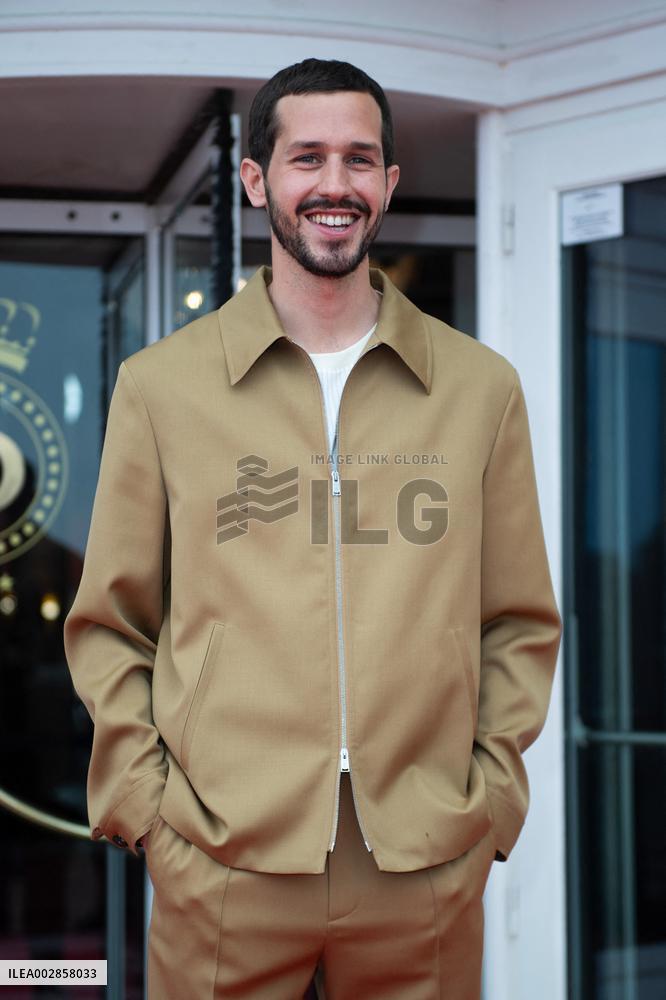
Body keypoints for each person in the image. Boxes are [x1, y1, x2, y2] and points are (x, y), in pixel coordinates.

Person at [63, 58, 562, 999]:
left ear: (389, 183)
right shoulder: (161, 388)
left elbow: (518, 622)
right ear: (257, 180)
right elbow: (111, 626)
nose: (336, 184)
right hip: (221, 855)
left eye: (359, 160)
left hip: (421, 857)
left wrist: (488, 804)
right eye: (308, 158)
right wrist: (149, 814)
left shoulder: (479, 389)